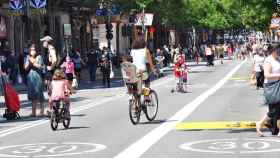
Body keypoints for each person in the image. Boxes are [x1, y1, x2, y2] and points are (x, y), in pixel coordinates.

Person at [256, 44, 280, 137]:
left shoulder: (277, 59)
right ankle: (260, 123)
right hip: (272, 87)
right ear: (273, 50)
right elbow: (267, 75)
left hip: (277, 85)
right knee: (274, 110)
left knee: (277, 110)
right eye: (278, 49)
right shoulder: (268, 60)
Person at [24, 45, 45, 117]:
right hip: (30, 77)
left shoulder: (39, 57)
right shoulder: (27, 57)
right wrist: (29, 62)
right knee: (32, 95)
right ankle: (33, 112)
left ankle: (42, 111)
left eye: (34, 49)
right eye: (31, 50)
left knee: (39, 94)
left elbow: (40, 67)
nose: (33, 51)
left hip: (37, 76)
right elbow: (25, 68)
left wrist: (33, 62)